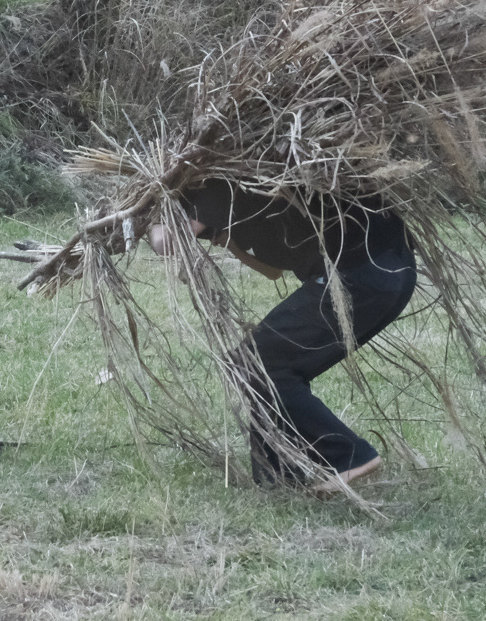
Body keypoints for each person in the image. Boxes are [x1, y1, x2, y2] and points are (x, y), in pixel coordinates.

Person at [148, 181, 415, 493]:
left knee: (254, 362)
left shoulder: (216, 186)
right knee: (258, 365)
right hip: (387, 276)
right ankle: (277, 479)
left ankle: (350, 456)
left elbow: (166, 241)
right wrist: (231, 241)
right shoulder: (244, 188)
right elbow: (272, 271)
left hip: (360, 276)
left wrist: (145, 221)